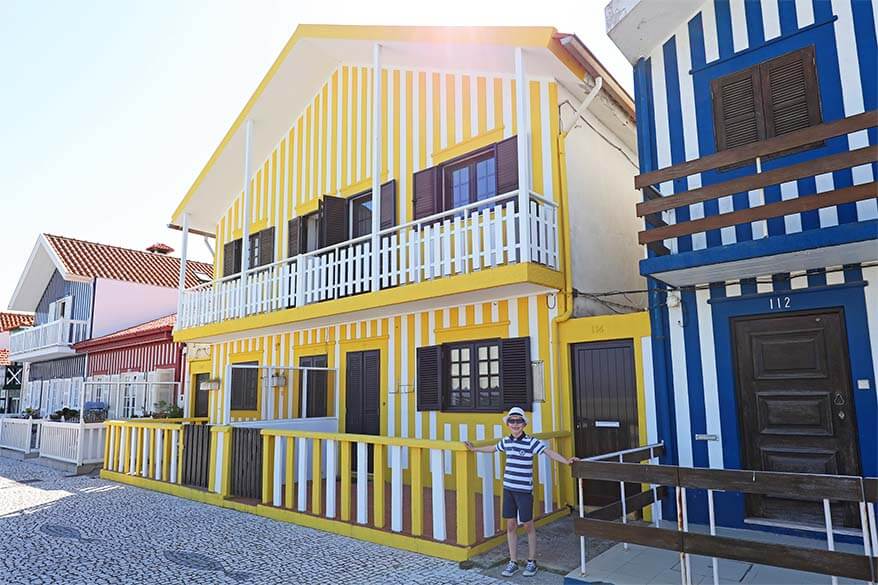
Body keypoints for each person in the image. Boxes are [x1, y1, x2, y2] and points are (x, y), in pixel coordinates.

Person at [465, 406, 577, 577]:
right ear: (508, 424)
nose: (515, 424)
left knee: (527, 525)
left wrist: (566, 461)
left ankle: (532, 561)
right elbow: (493, 448)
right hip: (508, 488)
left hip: (524, 490)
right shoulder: (506, 441)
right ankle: (513, 561)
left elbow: (549, 452)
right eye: (512, 421)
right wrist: (474, 449)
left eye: (518, 421)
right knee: (510, 526)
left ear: (524, 424)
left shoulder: (531, 442)